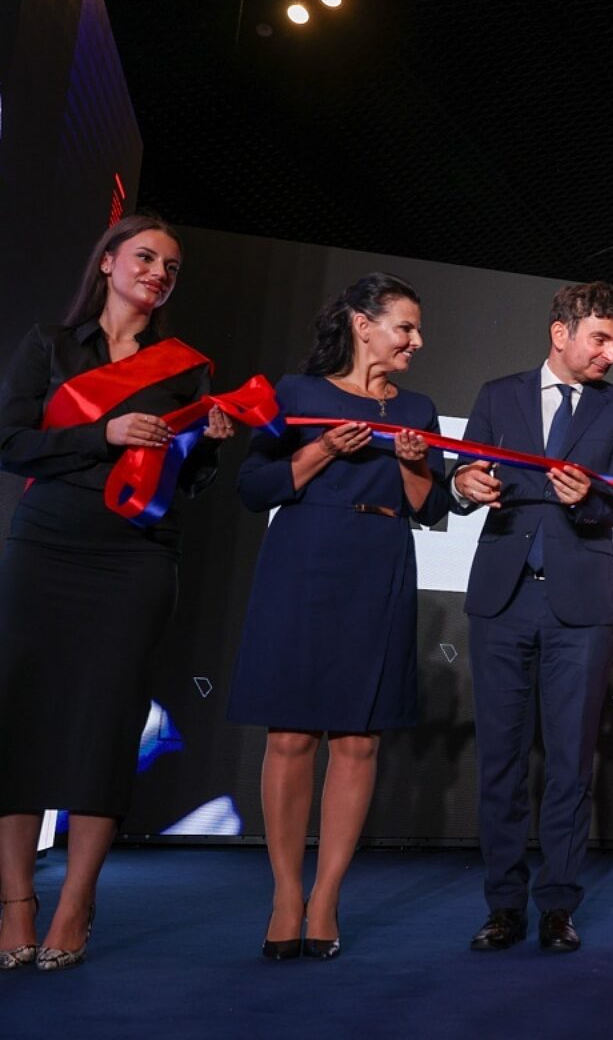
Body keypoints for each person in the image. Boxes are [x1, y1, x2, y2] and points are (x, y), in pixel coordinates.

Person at [0, 215, 234, 972]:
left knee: (107, 724)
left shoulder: (186, 368)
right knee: (22, 716)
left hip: (136, 556)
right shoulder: (50, 346)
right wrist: (100, 436)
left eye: (171, 266)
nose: (159, 273)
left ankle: (75, 904)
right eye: (145, 257)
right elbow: (9, 443)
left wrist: (208, 448)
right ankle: (16, 905)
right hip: (46, 547)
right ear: (106, 262)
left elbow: (187, 482)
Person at [228, 273, 449, 961]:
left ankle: (325, 898)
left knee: (358, 740)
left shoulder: (418, 408)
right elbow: (253, 486)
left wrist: (415, 464)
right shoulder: (297, 394)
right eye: (405, 327)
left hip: (380, 562)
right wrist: (324, 449)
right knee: (291, 735)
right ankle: (285, 896)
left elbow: (431, 508)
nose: (416, 340)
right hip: (303, 560)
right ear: (362, 324)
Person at [451, 282, 613, 954]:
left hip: (580, 608)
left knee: (570, 764)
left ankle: (558, 906)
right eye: (600, 338)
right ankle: (503, 906)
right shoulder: (497, 395)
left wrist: (588, 496)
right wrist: (463, 485)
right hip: (502, 600)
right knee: (500, 762)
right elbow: (462, 475)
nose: (610, 354)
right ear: (560, 333)